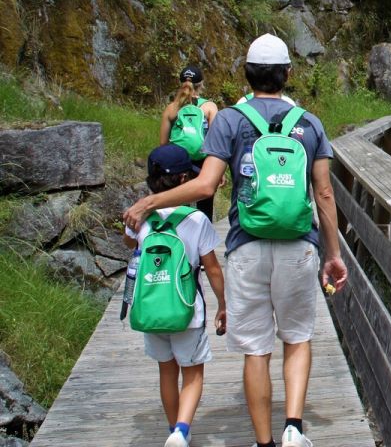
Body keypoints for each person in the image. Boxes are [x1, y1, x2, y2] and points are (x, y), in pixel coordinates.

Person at [124, 34, 348, 447]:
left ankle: (264, 442)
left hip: (247, 247)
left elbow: (205, 186)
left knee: (257, 350)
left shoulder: (229, 119)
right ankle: (294, 428)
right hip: (299, 246)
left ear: (246, 75)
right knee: (297, 338)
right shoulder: (310, 122)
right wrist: (331, 254)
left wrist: (150, 201)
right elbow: (325, 193)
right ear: (288, 74)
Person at [123, 144, 226, 447]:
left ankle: (172, 429)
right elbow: (213, 269)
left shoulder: (139, 218)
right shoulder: (196, 220)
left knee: (166, 372)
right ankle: (182, 430)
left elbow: (130, 246)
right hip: (187, 311)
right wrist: (223, 304)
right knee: (192, 374)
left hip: (152, 310)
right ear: (184, 181)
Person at [160, 65, 219, 221]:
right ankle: (204, 238)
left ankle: (180, 239)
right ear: (201, 84)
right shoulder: (209, 107)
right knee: (205, 206)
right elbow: (215, 143)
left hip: (177, 163)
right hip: (202, 163)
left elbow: (163, 144)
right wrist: (218, 172)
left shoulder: (171, 109)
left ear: (180, 83)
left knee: (180, 205)